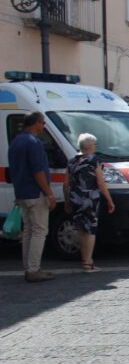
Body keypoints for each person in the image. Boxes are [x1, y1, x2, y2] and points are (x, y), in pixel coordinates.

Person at [7, 112, 57, 282]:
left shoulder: (16, 141)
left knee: (28, 231)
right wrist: (49, 193)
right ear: (36, 123)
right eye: (42, 123)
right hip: (35, 193)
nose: (43, 126)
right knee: (39, 231)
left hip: (21, 192)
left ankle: (28, 267)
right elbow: (38, 171)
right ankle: (34, 269)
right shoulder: (34, 143)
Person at [65, 133, 115, 271]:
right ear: (91, 146)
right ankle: (88, 261)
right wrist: (110, 200)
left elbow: (66, 183)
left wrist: (67, 200)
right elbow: (101, 183)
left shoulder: (71, 161)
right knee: (91, 229)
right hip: (90, 199)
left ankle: (84, 259)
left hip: (75, 198)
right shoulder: (94, 160)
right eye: (95, 144)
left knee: (81, 229)